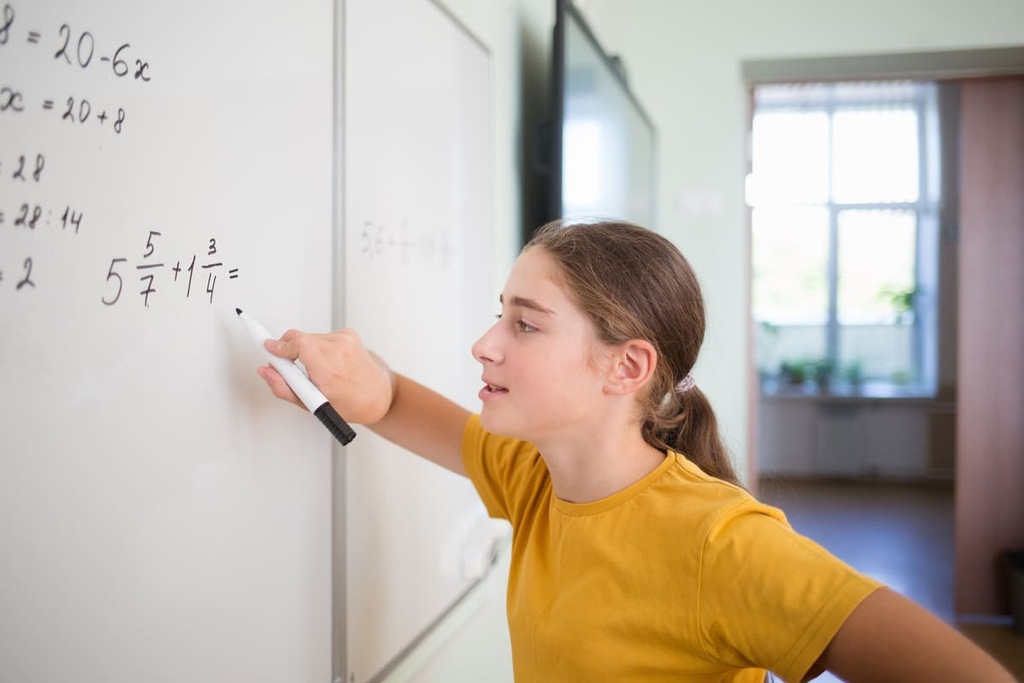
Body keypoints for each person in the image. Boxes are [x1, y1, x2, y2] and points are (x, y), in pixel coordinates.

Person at [256, 219, 1015, 683]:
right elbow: (390, 402)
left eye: (525, 324)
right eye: (499, 316)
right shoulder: (534, 472)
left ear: (627, 366)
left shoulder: (720, 544)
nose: (484, 344)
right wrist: (351, 371)